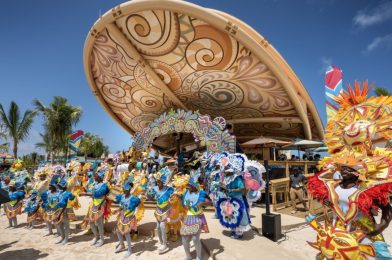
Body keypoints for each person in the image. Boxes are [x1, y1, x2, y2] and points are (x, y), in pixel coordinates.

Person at [180, 173, 211, 260]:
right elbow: (184, 203)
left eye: (190, 186)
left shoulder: (201, 193)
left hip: (198, 217)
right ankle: (188, 255)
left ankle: (199, 256)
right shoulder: (186, 193)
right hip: (188, 217)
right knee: (184, 237)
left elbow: (209, 202)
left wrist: (202, 203)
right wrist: (179, 197)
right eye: (188, 186)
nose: (188, 187)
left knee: (195, 238)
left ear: (194, 186)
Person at [148, 167, 174, 254]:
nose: (158, 183)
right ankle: (162, 242)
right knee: (158, 227)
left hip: (166, 210)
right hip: (158, 210)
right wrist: (148, 194)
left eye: (159, 181)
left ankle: (165, 244)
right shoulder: (155, 188)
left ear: (163, 181)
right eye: (157, 181)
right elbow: (151, 198)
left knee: (162, 226)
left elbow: (174, 196)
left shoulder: (169, 189)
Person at [114, 178, 141, 258]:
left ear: (129, 190)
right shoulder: (122, 197)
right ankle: (122, 245)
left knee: (126, 233)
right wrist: (117, 210)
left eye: (125, 189)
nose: (124, 191)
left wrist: (134, 214)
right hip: (122, 217)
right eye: (123, 189)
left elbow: (136, 208)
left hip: (129, 218)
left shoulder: (133, 199)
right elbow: (122, 206)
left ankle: (129, 250)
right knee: (117, 230)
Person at [85, 169, 110, 247]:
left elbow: (105, 196)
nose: (94, 177)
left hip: (101, 205)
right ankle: (96, 237)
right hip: (94, 205)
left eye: (96, 175)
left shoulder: (104, 185)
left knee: (99, 223)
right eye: (95, 175)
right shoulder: (94, 184)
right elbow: (92, 194)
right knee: (91, 222)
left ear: (100, 177)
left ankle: (102, 239)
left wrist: (100, 205)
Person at [52, 178, 76, 245]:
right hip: (58, 210)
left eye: (60, 186)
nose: (58, 187)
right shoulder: (59, 193)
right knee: (59, 225)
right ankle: (62, 237)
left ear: (64, 186)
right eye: (58, 185)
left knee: (66, 225)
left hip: (64, 210)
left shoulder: (68, 193)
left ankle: (66, 239)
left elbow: (71, 200)